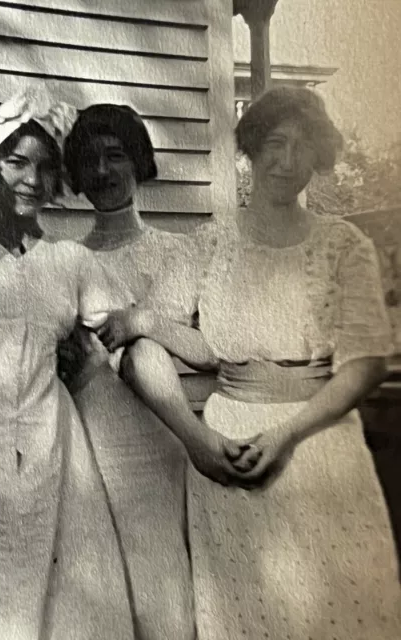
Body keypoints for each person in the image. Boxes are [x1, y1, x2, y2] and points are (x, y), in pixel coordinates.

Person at [188, 86, 401, 639]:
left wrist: (286, 433)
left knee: (334, 608)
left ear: (319, 157)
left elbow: (367, 361)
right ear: (252, 149)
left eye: (303, 148)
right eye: (275, 144)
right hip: (229, 443)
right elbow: (193, 342)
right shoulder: (209, 242)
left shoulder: (343, 243)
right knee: (248, 610)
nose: (286, 162)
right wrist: (139, 323)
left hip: (318, 440)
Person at [0, 85, 137, 640]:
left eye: (46, 168)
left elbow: (125, 327)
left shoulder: (70, 260)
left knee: (65, 603)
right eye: (17, 162)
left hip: (53, 448)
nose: (31, 179)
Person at [60, 104, 252, 639]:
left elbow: (213, 353)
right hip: (85, 448)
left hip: (158, 446)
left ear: (140, 163)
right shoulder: (64, 262)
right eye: (89, 160)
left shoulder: (178, 252)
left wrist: (143, 321)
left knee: (163, 596)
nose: (102, 171)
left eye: (116, 156)